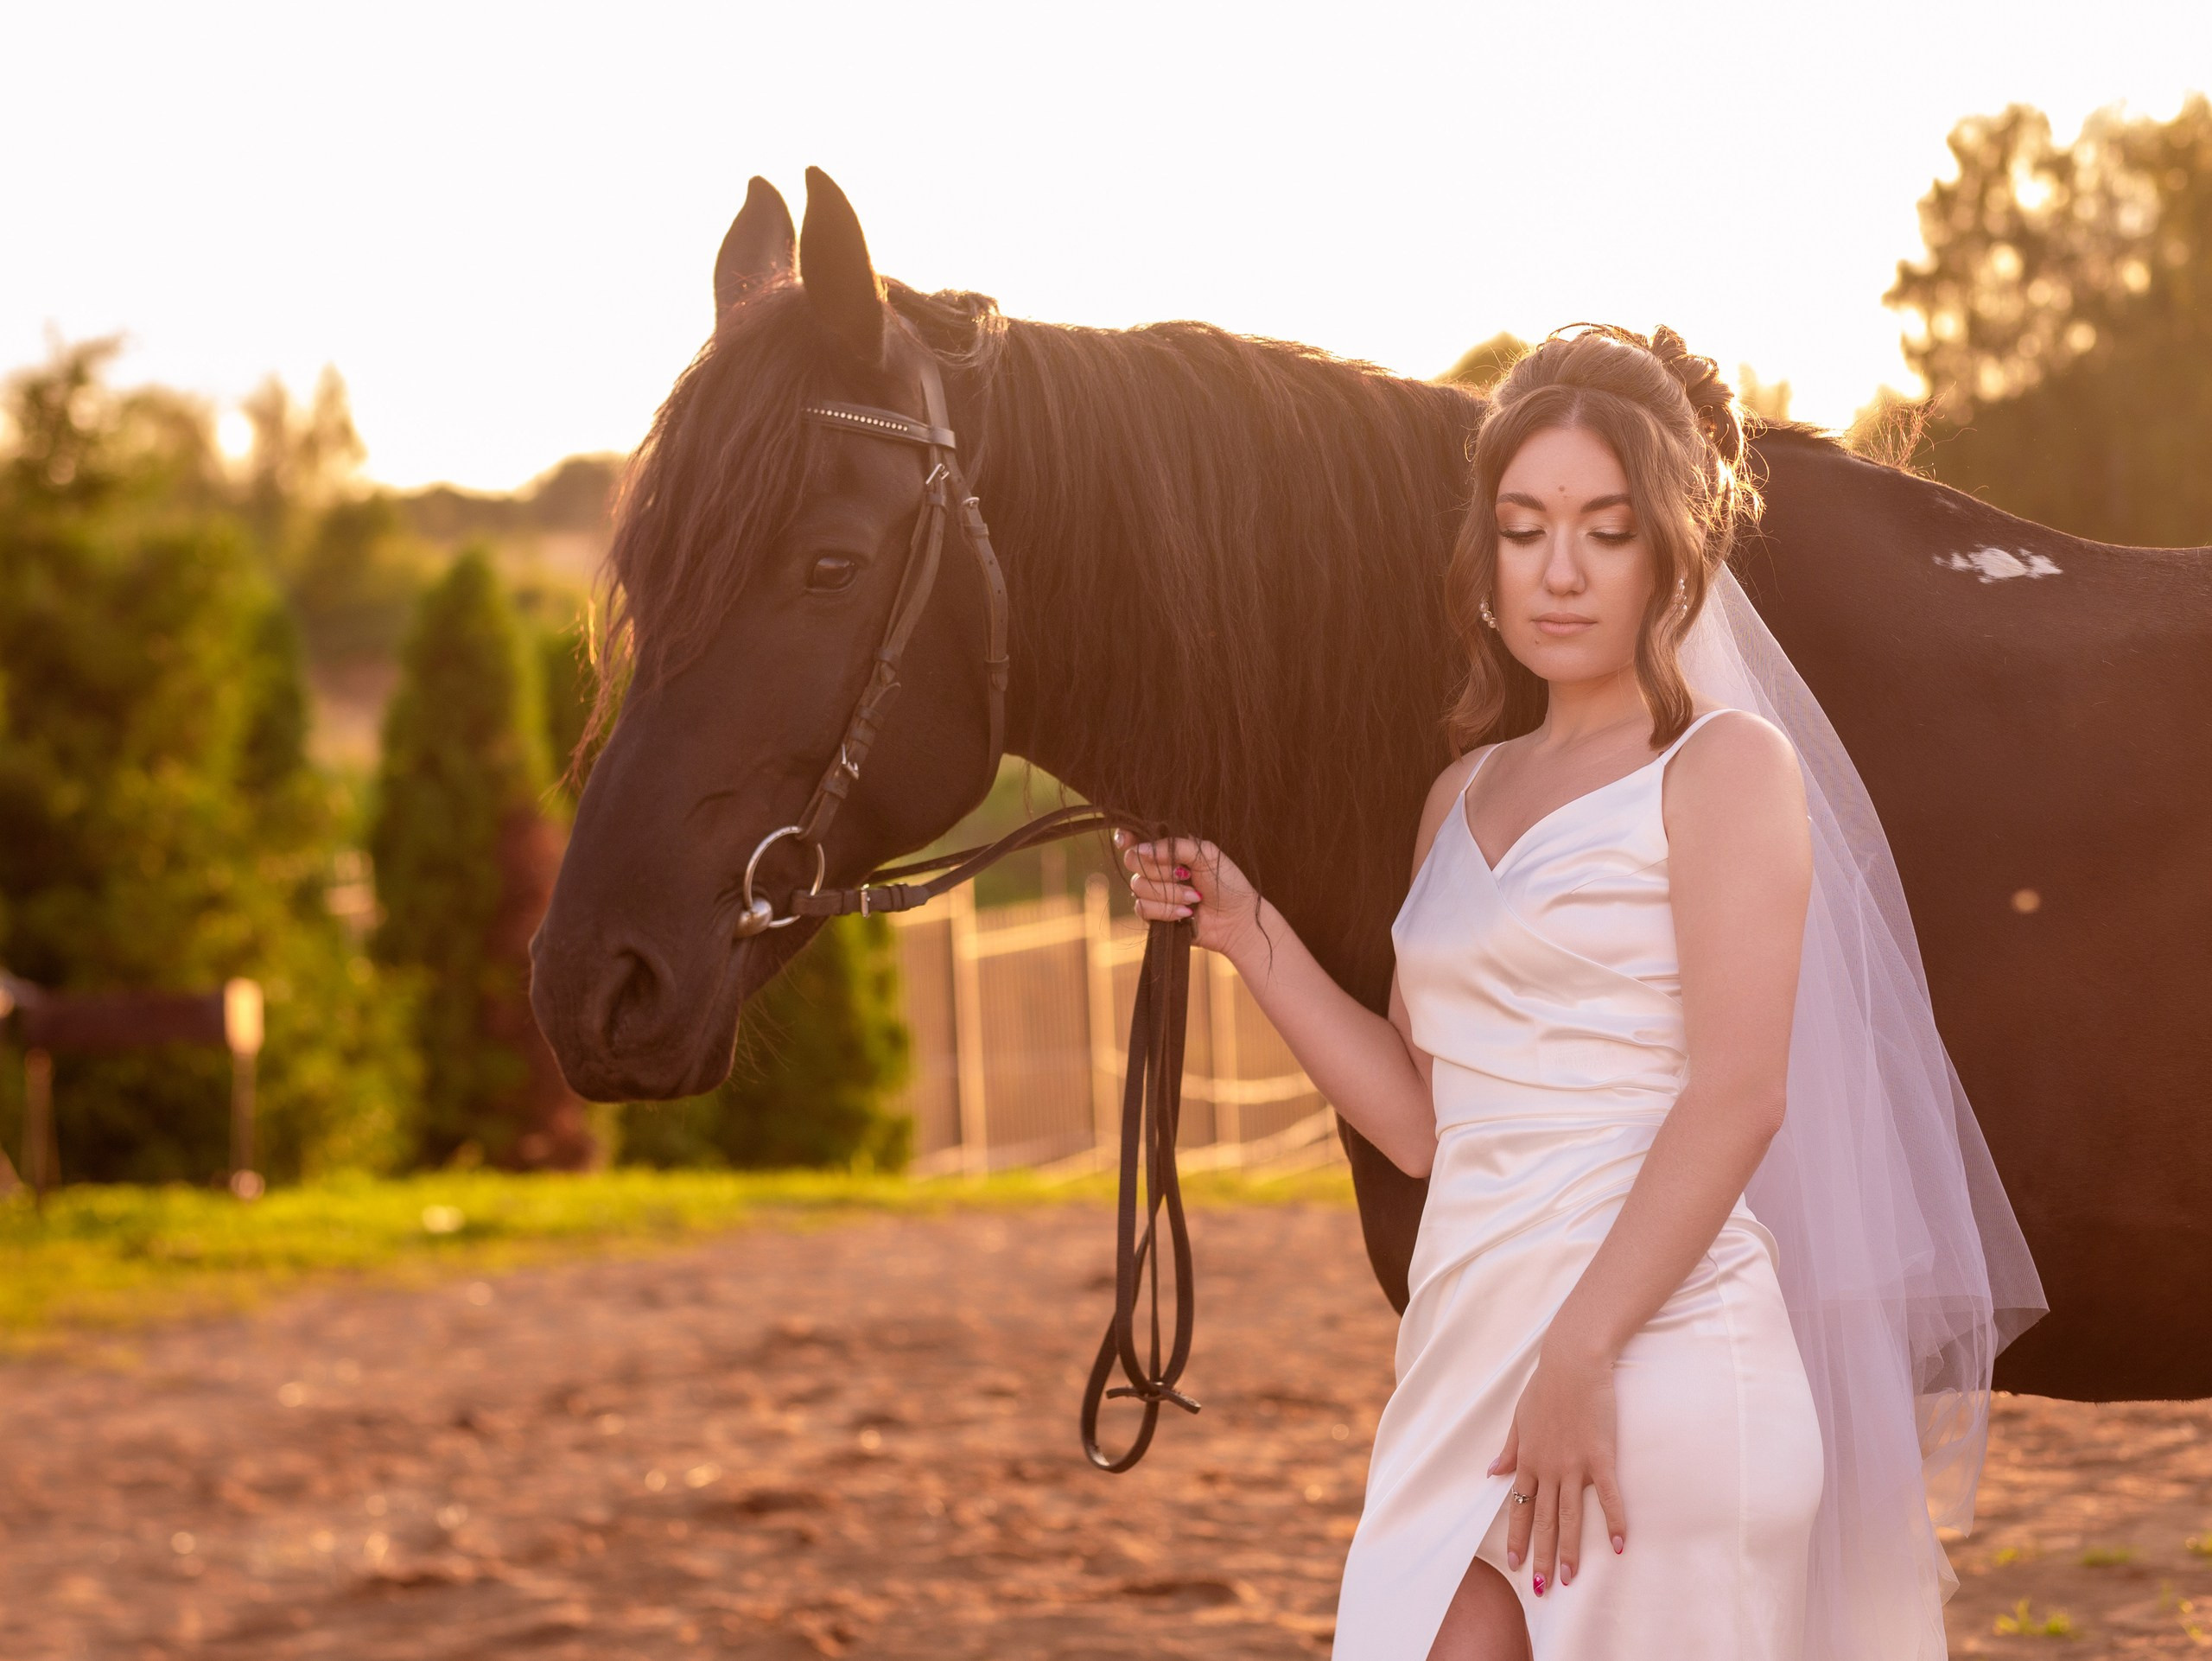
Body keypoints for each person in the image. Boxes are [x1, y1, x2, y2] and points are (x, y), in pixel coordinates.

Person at [1114, 325, 2043, 1661]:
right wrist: (1247, 932)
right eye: (1524, 528)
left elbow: (1739, 1095)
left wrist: (1583, 1351)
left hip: (1653, 1361)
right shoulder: (1460, 794)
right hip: (1464, 1361)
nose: (1559, 570)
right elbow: (1426, 1123)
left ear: (1669, 553)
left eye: (1605, 531)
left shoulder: (1723, 769)